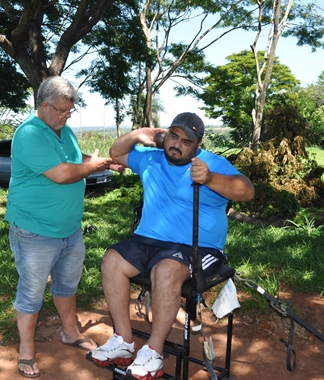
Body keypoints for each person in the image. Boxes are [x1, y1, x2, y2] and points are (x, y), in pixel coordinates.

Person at [87, 112, 255, 380]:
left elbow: (247, 191)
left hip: (198, 249)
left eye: (186, 141)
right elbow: (116, 153)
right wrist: (139, 135)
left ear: (197, 144)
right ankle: (124, 341)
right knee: (112, 259)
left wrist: (210, 178)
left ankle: (153, 351)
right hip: (148, 241)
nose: (177, 144)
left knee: (166, 271)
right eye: (173, 137)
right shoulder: (151, 157)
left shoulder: (211, 163)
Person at [5, 76, 121, 378]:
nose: (66, 117)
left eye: (70, 112)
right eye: (61, 111)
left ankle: (70, 333)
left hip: (69, 229)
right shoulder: (29, 133)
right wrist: (91, 167)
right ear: (43, 105)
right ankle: (26, 350)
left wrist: (103, 162)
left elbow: (74, 159)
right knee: (31, 293)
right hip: (34, 230)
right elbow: (61, 173)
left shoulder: (62, 129)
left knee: (67, 287)